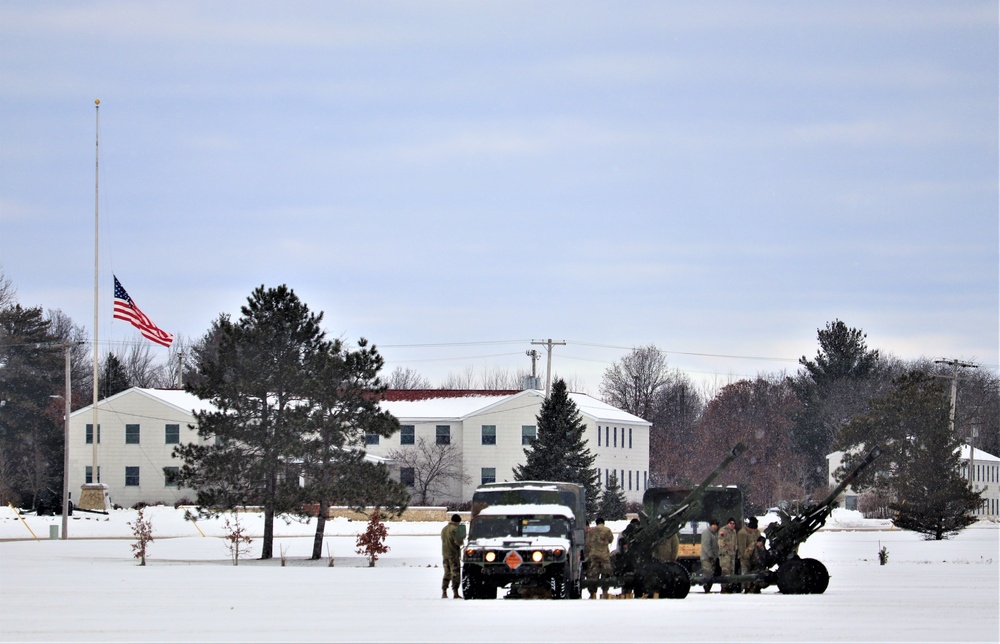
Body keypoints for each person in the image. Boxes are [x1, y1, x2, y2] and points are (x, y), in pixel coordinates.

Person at [584, 517, 614, 598]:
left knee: (593, 575)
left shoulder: (591, 531)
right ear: (603, 523)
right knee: (606, 574)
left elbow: (587, 543)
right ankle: (605, 591)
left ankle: (592, 593)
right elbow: (611, 540)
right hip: (604, 556)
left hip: (593, 556)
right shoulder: (607, 530)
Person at [440, 513, 464, 599]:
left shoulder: (444, 529)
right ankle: (455, 592)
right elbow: (458, 542)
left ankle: (444, 592)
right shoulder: (454, 529)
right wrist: (462, 539)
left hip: (445, 554)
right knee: (455, 573)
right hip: (453, 554)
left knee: (447, 573)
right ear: (457, 521)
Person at [738, 517, 761, 593]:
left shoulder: (756, 532)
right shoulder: (743, 533)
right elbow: (742, 547)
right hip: (746, 556)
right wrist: (744, 556)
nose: (754, 531)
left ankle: (754, 586)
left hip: (754, 557)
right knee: (746, 572)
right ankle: (747, 587)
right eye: (753, 529)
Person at [717, 516, 739, 593]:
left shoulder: (734, 532)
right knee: (725, 570)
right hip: (725, 554)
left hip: (732, 554)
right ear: (728, 523)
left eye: (733, 523)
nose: (732, 525)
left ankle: (730, 586)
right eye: (731, 523)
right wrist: (724, 551)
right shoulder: (723, 530)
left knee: (731, 571)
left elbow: (735, 542)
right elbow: (721, 541)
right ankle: (724, 587)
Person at [699, 518, 720, 593]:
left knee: (711, 573)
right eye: (713, 525)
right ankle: (706, 587)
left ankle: (708, 588)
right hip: (706, 557)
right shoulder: (706, 533)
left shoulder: (715, 534)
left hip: (713, 557)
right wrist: (710, 554)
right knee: (708, 573)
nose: (714, 526)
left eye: (716, 525)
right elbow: (706, 545)